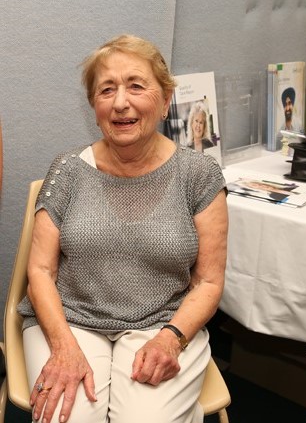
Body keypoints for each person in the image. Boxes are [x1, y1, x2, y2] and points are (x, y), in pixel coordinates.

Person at [18, 34, 228, 423]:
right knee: (68, 419)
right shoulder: (67, 170)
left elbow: (209, 283)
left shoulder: (199, 175)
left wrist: (171, 338)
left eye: (135, 85)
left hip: (161, 324)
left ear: (165, 99)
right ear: (93, 106)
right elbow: (41, 272)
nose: (120, 103)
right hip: (70, 321)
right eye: (107, 90)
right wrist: (63, 346)